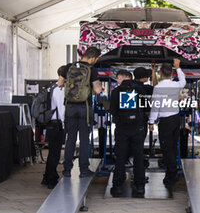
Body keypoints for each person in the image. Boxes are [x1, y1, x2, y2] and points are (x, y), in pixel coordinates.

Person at [59, 46, 102, 178]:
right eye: (96, 59)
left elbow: (60, 83)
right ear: (93, 57)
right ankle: (84, 170)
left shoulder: (69, 67)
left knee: (70, 138)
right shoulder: (91, 69)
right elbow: (97, 90)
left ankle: (67, 170)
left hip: (70, 107)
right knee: (84, 140)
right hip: (84, 107)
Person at [149, 59, 186, 192]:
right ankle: (171, 173)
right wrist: (178, 67)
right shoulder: (176, 85)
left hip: (165, 121)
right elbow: (183, 81)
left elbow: (155, 106)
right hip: (176, 119)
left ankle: (172, 175)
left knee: (166, 149)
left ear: (160, 73)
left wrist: (151, 121)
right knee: (173, 147)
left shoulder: (158, 88)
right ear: (171, 73)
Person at [109, 69, 146, 197]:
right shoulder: (140, 89)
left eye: (117, 78)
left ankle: (118, 186)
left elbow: (112, 110)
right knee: (138, 156)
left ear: (121, 77)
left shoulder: (116, 91)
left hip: (122, 129)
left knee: (120, 157)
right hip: (138, 128)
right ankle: (140, 186)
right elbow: (146, 107)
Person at [41, 65, 66, 189]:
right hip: (57, 124)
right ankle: (51, 179)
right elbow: (61, 109)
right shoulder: (60, 89)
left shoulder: (52, 87)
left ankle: (47, 177)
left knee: (53, 152)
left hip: (51, 123)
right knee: (54, 153)